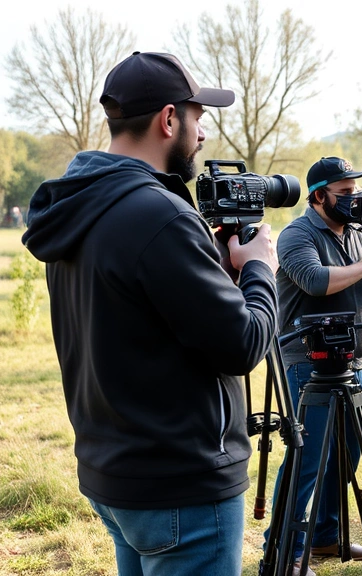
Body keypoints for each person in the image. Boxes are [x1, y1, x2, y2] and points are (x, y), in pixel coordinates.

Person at [21, 51, 278, 575]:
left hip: (115, 474)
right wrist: (259, 269)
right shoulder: (160, 215)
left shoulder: (80, 205)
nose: (202, 133)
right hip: (183, 486)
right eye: (198, 117)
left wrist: (208, 268)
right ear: (168, 119)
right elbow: (243, 345)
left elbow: (138, 315)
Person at [264, 156, 362, 574]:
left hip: (352, 357)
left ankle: (325, 536)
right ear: (319, 195)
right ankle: (284, 552)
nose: (354, 199)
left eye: (356, 191)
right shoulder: (297, 235)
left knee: (346, 454)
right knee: (307, 460)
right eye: (344, 194)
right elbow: (316, 281)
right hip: (306, 361)